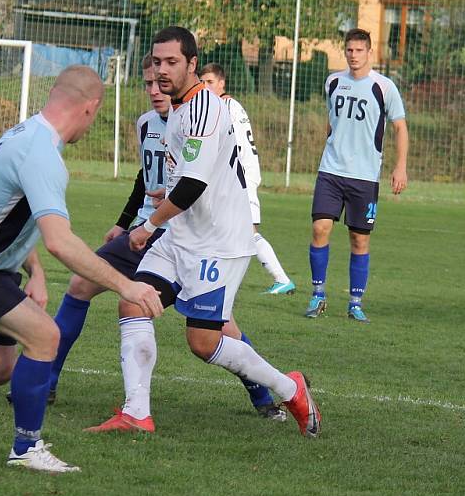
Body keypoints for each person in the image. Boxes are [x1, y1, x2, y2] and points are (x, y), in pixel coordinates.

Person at [0, 65, 164, 474]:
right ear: (90, 107)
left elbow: (4, 212)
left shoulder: (27, 135)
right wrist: (127, 286)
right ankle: (26, 449)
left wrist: (36, 272)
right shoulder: (41, 153)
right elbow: (59, 240)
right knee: (46, 335)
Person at [87, 27, 321, 438]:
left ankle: (290, 387)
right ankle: (136, 413)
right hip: (182, 235)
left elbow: (194, 187)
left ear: (192, 64)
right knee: (133, 304)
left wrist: (146, 226)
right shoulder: (178, 108)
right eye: (157, 62)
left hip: (219, 243)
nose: (161, 70)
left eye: (171, 62)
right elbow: (193, 177)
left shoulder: (203, 108)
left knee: (203, 342)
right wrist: (165, 192)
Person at [44, 53, 286, 425]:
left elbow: (204, 180)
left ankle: (265, 396)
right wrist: (124, 222)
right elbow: (146, 176)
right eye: (148, 84)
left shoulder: (202, 116)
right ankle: (48, 382)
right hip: (145, 230)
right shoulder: (147, 124)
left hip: (185, 235)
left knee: (219, 328)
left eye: (160, 83)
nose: (155, 90)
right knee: (80, 285)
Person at [304, 28, 409, 323]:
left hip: (364, 176)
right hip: (331, 171)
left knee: (359, 240)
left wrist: (400, 166)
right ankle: (318, 294)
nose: (353, 55)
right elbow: (331, 121)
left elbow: (400, 128)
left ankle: (355, 302)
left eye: (359, 50)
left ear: (370, 53)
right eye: (349, 50)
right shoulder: (333, 82)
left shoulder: (384, 87)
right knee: (320, 229)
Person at [199, 63, 295, 295]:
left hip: (239, 177)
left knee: (247, 233)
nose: (204, 87)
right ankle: (213, 277)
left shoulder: (224, 107)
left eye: (209, 82)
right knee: (223, 229)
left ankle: (282, 280)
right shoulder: (230, 105)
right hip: (237, 176)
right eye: (201, 82)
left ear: (222, 83)